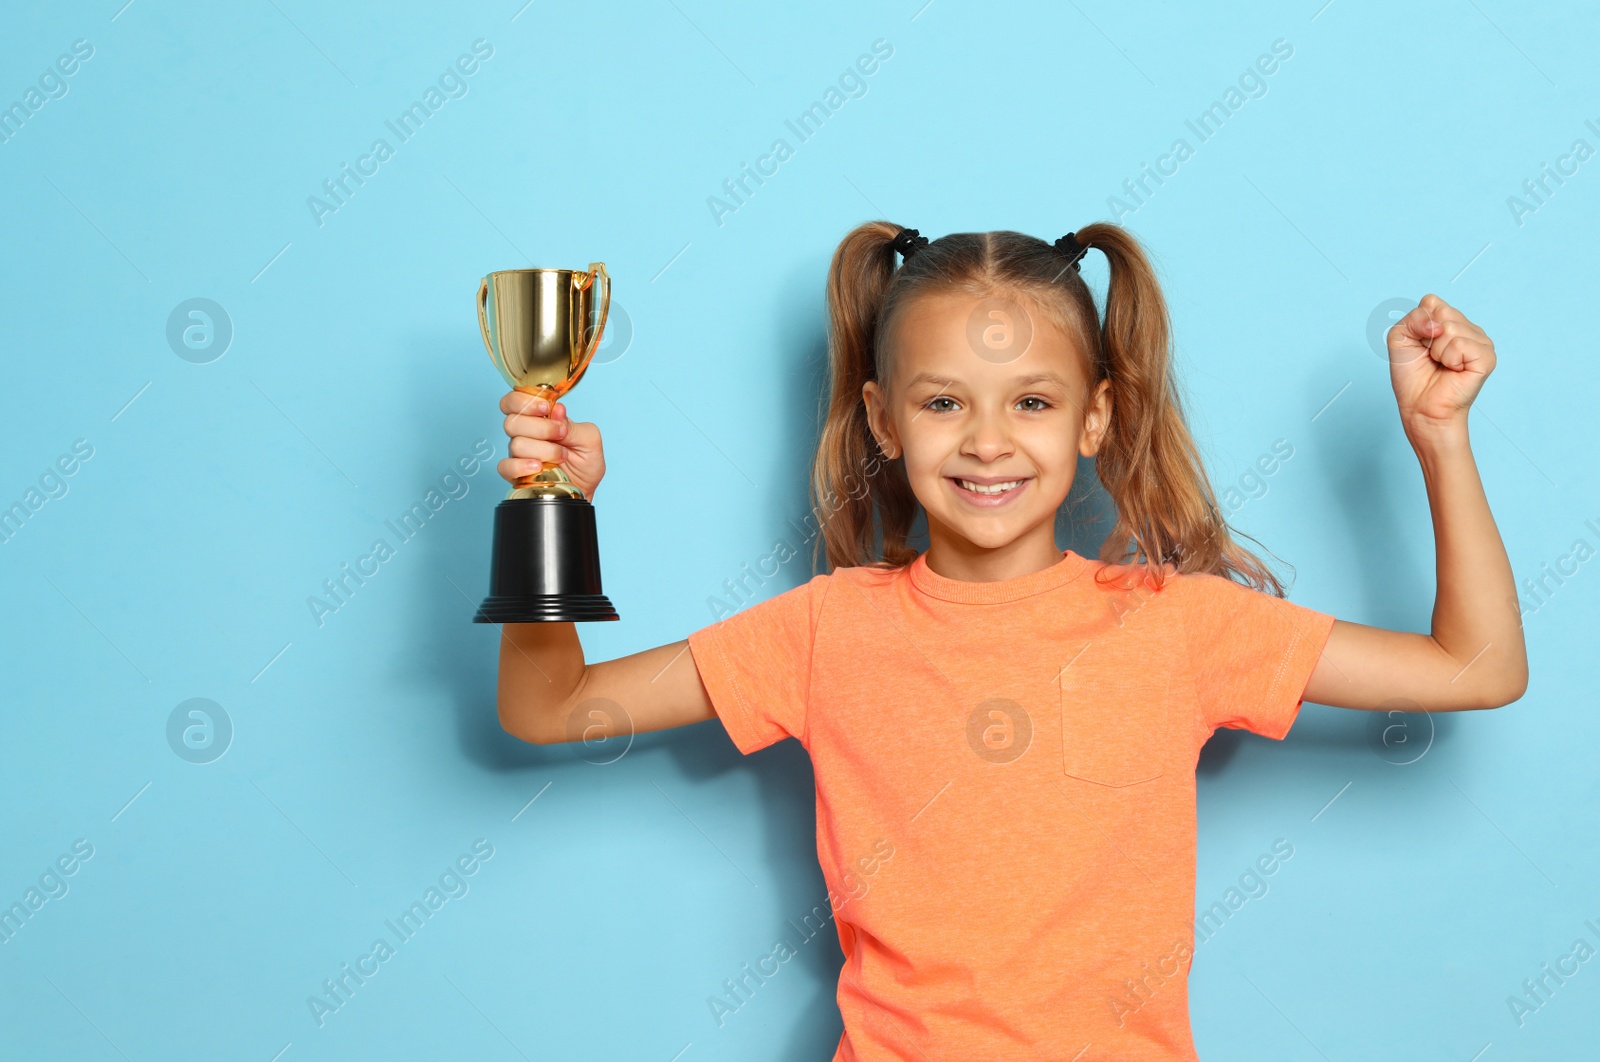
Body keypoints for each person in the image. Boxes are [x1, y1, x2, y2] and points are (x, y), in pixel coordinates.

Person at [490, 222, 1528, 1060]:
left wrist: (1440, 437)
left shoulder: (1181, 623)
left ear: (1093, 418)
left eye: (1031, 401)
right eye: (943, 402)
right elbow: (548, 709)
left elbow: (1476, 671)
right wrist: (553, 510)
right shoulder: (823, 630)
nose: (987, 441)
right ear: (883, 420)